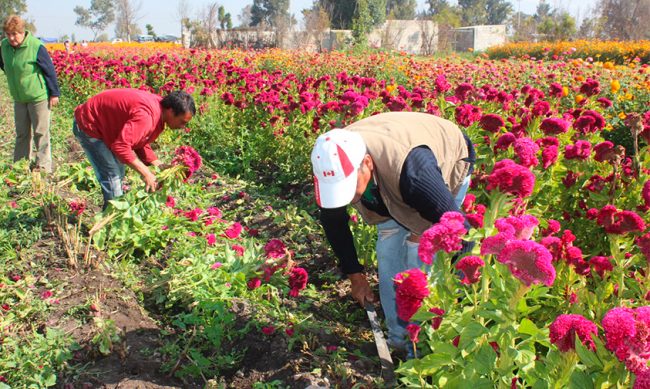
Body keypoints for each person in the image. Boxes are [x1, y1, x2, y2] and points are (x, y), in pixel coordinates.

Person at [311, 111, 475, 356]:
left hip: (444, 152)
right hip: (388, 176)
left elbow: (459, 232)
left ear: (366, 163)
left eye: (349, 187)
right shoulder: (329, 164)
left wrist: (460, 293)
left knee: (419, 249)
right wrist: (356, 277)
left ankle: (420, 345)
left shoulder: (415, 175)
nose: (348, 198)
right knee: (389, 241)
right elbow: (333, 222)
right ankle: (398, 338)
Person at [73, 88, 195, 210]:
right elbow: (121, 147)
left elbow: (139, 137)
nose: (182, 127)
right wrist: (146, 173)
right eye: (182, 122)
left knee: (119, 172)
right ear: (171, 111)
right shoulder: (147, 116)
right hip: (89, 124)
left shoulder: (158, 110)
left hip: (106, 127)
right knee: (112, 174)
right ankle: (111, 218)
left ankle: (112, 211)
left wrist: (157, 163)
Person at [0, 15, 60, 173]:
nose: (12, 38)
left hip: (37, 97)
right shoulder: (4, 46)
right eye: (8, 34)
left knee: (41, 132)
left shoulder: (36, 46)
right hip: (19, 98)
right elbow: (3, 64)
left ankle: (43, 166)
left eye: (15, 34)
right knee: (21, 133)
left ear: (22, 32)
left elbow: (49, 71)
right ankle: (20, 165)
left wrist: (54, 94)